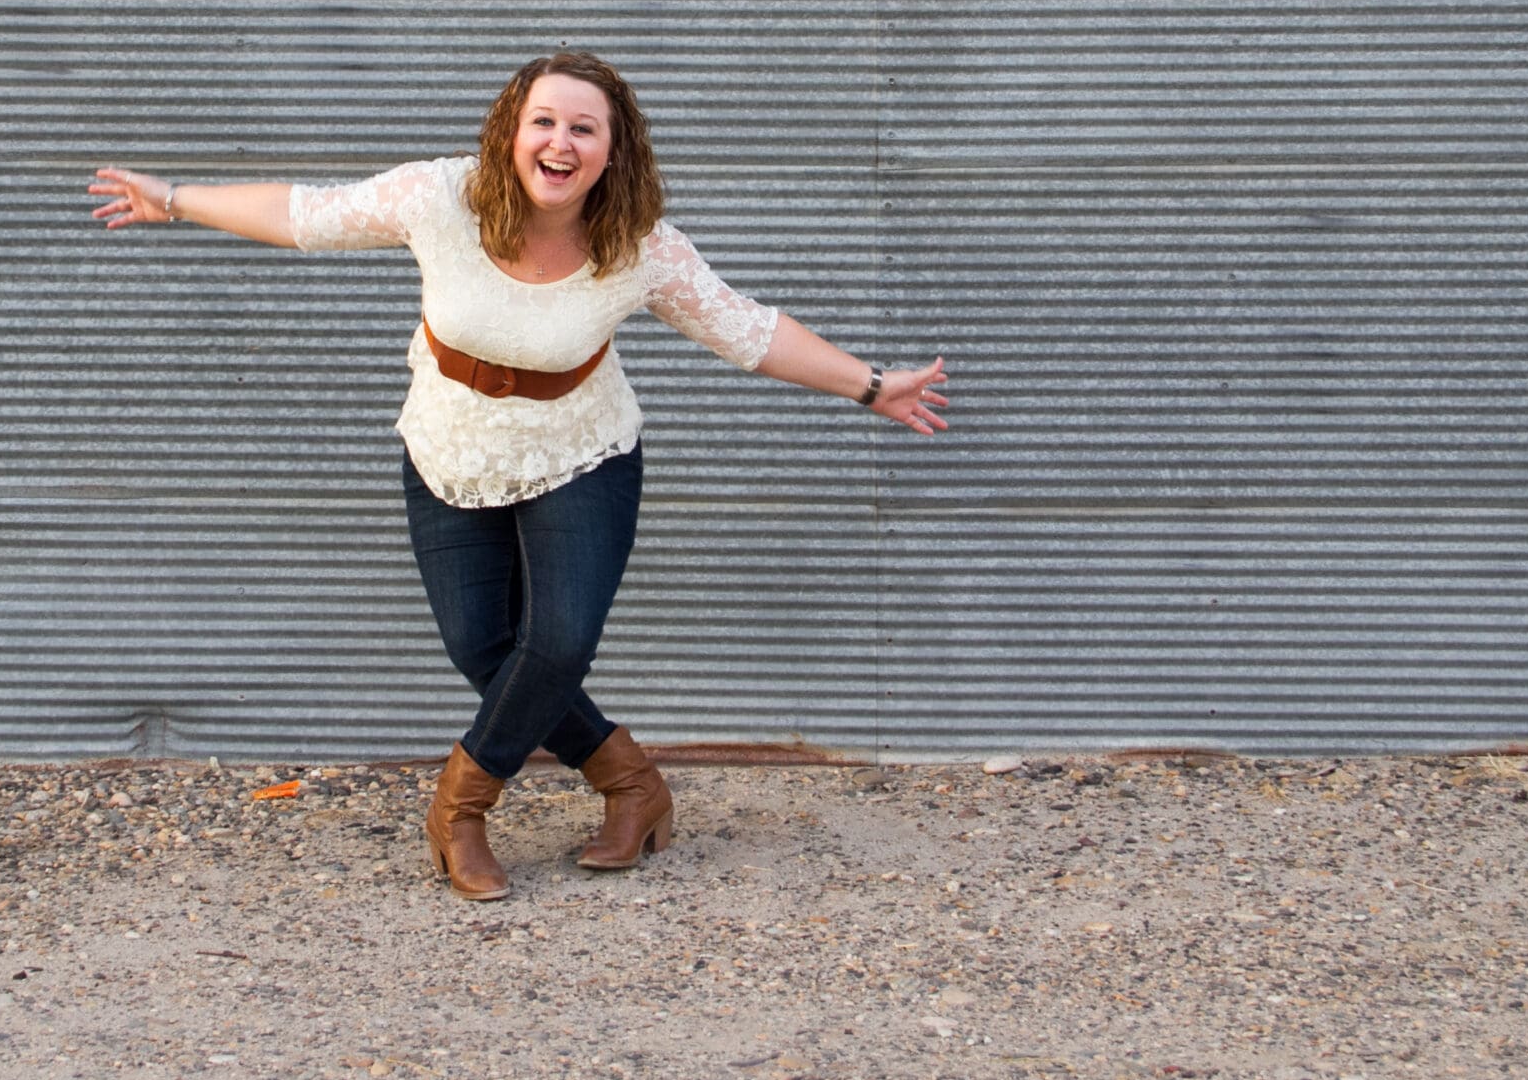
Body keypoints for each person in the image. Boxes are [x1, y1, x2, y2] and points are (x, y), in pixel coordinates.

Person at [89, 51, 948, 901]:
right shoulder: (442, 197)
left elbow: (750, 331)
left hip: (581, 449)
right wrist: (172, 199)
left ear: (615, 149)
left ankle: (462, 804)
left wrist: (872, 385)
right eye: (544, 120)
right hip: (449, 447)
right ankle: (632, 783)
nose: (561, 141)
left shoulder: (638, 244)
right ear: (511, 131)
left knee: (560, 638)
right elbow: (306, 212)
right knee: (483, 646)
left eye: (585, 127)